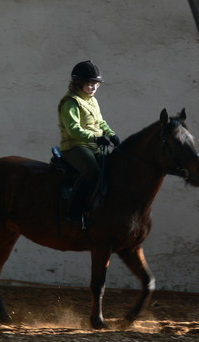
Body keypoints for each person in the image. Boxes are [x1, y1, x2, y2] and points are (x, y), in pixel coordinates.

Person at [58, 60, 120, 224]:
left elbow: (100, 122)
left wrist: (111, 134)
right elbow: (73, 129)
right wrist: (95, 138)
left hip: (94, 145)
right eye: (89, 84)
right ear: (78, 83)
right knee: (92, 171)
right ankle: (74, 212)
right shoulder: (70, 102)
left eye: (95, 84)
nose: (93, 88)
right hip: (74, 146)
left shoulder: (92, 101)